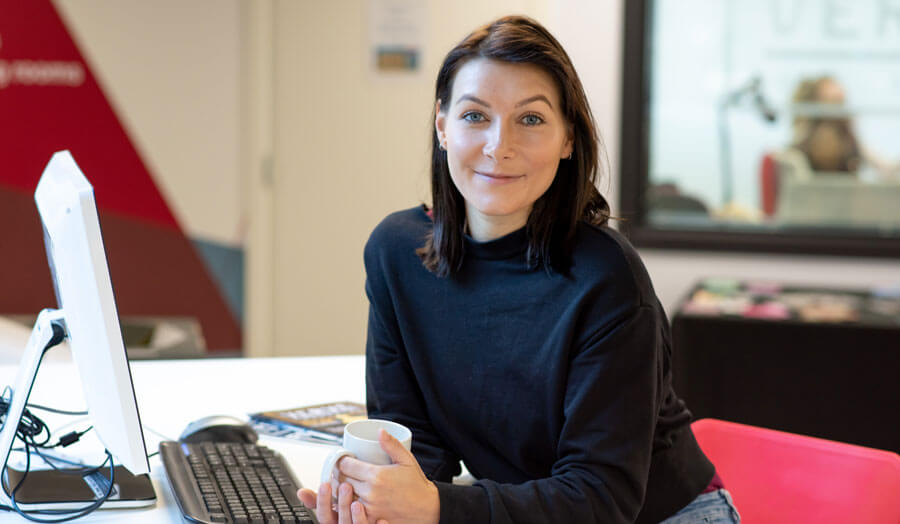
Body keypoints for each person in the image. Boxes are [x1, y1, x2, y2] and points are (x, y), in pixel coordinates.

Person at [299, 15, 740, 524]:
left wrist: (437, 506)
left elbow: (602, 497)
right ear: (442, 126)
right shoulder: (396, 255)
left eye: (530, 120)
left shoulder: (607, 280)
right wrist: (371, 499)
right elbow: (416, 446)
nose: (498, 146)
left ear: (568, 139)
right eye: (474, 116)